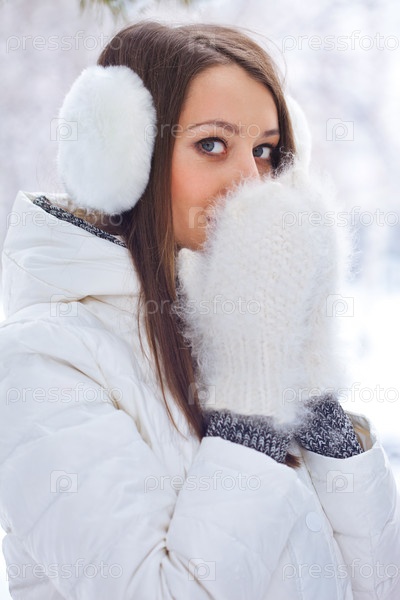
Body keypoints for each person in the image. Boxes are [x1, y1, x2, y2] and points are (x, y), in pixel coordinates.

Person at [0, 20, 399, 600]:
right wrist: (254, 402)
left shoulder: (239, 327)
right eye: (212, 145)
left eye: (264, 151)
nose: (250, 181)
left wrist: (308, 375)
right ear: (124, 158)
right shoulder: (39, 360)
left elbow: (380, 585)